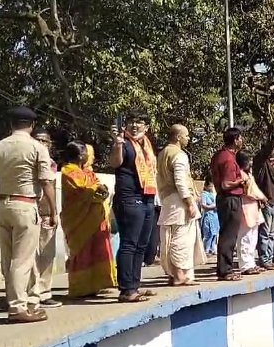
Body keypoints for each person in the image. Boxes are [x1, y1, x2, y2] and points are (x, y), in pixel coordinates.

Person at [0, 107, 57, 323]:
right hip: (25, 205)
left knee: (8, 259)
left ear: (11, 124)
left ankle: (25, 302)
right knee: (23, 260)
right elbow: (46, 182)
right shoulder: (37, 147)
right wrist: (54, 211)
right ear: (32, 125)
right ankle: (18, 308)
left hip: (2, 205)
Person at [109, 109, 158, 302]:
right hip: (129, 199)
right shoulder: (125, 143)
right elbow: (115, 162)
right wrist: (117, 143)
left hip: (147, 197)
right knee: (129, 243)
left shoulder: (146, 146)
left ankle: (135, 285)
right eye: (132, 121)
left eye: (140, 122)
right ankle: (126, 289)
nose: (135, 125)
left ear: (146, 127)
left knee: (142, 244)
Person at [60, 141, 117, 298]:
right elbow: (85, 191)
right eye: (86, 153)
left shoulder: (87, 172)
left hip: (96, 219)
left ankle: (98, 284)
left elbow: (98, 187)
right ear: (80, 155)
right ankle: (80, 287)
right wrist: (97, 191)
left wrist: (99, 190)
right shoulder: (68, 171)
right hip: (78, 220)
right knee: (82, 252)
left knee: (99, 251)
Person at [156, 124, 206, 286]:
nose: (188, 138)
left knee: (170, 238)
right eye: (186, 135)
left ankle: (176, 274)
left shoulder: (163, 153)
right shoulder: (179, 155)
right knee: (181, 239)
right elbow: (180, 181)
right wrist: (189, 202)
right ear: (178, 137)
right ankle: (179, 275)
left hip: (167, 200)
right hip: (179, 202)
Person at [211, 127, 246, 281]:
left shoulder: (221, 155)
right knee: (229, 235)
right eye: (240, 137)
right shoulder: (228, 159)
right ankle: (226, 270)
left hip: (225, 199)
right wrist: (241, 180)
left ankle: (224, 268)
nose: (242, 140)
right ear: (235, 139)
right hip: (230, 198)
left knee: (226, 233)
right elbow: (226, 184)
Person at [32, 129, 62, 308]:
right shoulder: (27, 160)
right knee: (29, 255)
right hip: (31, 210)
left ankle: (44, 292)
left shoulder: (50, 163)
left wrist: (52, 212)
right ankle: (32, 293)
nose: (42, 144)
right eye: (38, 140)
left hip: (46, 212)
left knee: (47, 254)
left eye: (45, 141)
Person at [236, 152, 266, 275]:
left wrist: (261, 197)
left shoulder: (249, 175)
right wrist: (261, 197)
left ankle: (251, 263)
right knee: (245, 237)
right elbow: (248, 191)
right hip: (246, 207)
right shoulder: (240, 175)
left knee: (253, 237)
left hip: (254, 208)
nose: (251, 163)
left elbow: (255, 189)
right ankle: (245, 265)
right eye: (249, 161)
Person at [254, 146, 274, 271]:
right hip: (267, 203)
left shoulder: (273, 167)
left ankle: (269, 259)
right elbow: (263, 154)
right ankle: (264, 259)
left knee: (272, 233)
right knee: (265, 233)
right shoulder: (261, 164)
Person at [200, 181, 219, 255]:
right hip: (208, 215)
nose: (211, 188)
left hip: (215, 215)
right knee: (208, 233)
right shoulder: (204, 194)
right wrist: (211, 206)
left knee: (214, 233)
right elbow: (203, 205)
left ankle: (213, 248)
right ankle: (206, 250)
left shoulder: (213, 194)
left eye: (212, 186)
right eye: (210, 186)